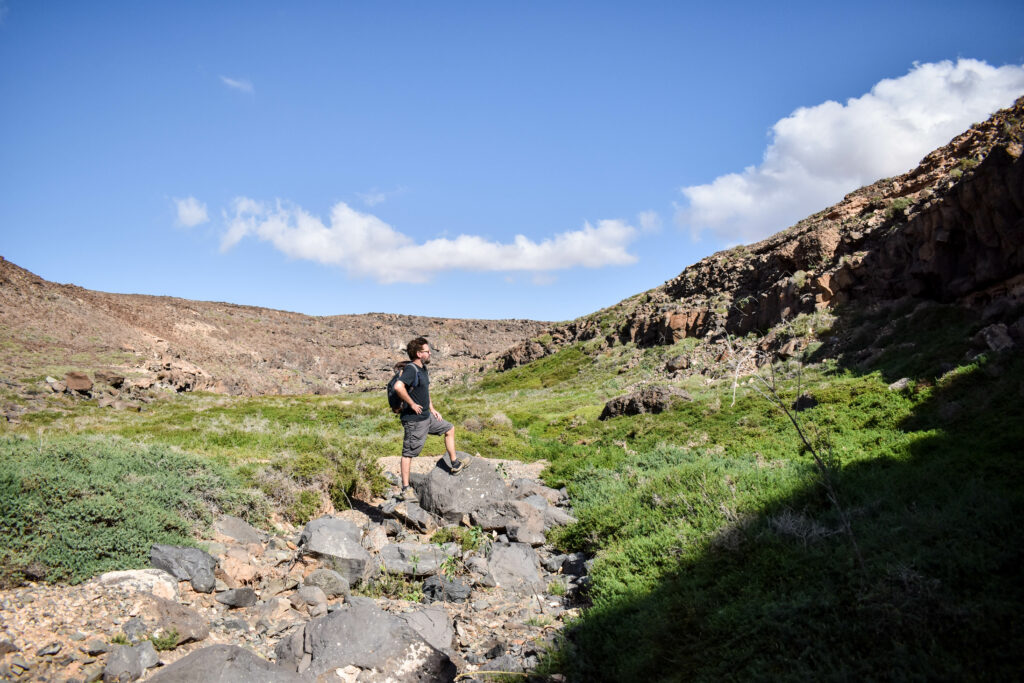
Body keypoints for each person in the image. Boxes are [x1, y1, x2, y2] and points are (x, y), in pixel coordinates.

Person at [393, 336, 465, 499]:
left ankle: (454, 464)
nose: (430, 353)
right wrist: (411, 404)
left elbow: (424, 391)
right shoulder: (412, 369)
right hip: (414, 420)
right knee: (408, 453)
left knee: (449, 428)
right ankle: (405, 489)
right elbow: (398, 387)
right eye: (427, 351)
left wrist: (432, 409)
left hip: (427, 417)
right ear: (419, 353)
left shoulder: (422, 369)